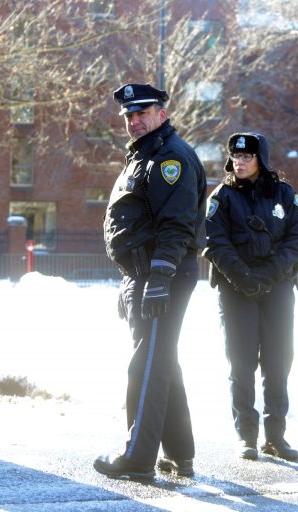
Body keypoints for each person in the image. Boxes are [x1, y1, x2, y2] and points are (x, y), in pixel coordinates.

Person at [95, 83, 207, 481]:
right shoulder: (144, 156)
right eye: (129, 115)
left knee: (145, 367)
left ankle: (138, 458)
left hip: (164, 274)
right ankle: (179, 453)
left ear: (161, 113)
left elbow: (176, 225)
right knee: (161, 361)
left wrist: (159, 276)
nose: (134, 121)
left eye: (142, 113)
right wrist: (131, 278)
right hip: (143, 273)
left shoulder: (169, 158)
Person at [203, 132, 298, 462]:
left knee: (278, 363)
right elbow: (213, 241)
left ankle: (275, 436)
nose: (240, 162)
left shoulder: (284, 194)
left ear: (261, 159)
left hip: (277, 287)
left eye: (248, 157)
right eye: (236, 157)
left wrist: (270, 274)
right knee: (241, 362)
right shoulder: (221, 197)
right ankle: (247, 437)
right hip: (235, 289)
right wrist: (243, 276)